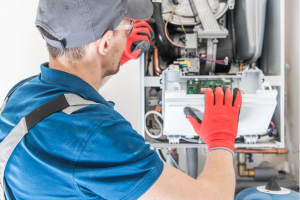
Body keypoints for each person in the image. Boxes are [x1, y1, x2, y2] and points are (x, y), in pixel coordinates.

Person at [0, 0, 241, 199]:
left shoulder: (22, 94)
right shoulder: (97, 136)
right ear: (105, 43)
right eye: (127, 30)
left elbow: (71, 99)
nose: (129, 35)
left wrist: (112, 60)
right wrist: (221, 140)